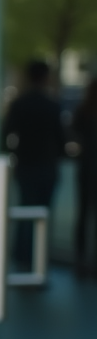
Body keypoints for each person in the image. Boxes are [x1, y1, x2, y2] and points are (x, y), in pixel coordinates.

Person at [2, 60, 64, 268]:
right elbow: (61, 139)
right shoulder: (52, 105)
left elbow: (5, 136)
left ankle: (21, 257)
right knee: (42, 216)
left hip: (26, 165)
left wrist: (15, 154)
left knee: (25, 212)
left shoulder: (20, 104)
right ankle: (38, 261)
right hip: (47, 167)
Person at [71, 81, 97, 277]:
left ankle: (80, 261)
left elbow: (73, 135)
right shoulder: (84, 111)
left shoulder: (83, 111)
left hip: (86, 169)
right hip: (88, 169)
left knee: (83, 216)